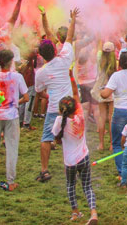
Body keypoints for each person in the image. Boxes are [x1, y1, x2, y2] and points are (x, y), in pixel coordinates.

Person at [34, 8, 79, 183]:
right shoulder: (66, 57)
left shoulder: (42, 72)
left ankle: (44, 170)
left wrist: (48, 96)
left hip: (54, 109)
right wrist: (73, 19)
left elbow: (39, 91)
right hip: (69, 107)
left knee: (46, 138)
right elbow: (69, 37)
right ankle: (73, 166)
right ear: (55, 49)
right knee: (71, 139)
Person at [52, 70, 98, 225]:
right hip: (84, 156)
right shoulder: (80, 117)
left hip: (70, 161)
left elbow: (56, 138)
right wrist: (72, 77)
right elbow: (76, 95)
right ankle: (93, 213)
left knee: (71, 185)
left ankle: (75, 212)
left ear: (61, 110)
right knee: (88, 186)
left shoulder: (59, 121)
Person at [0, 49, 28, 191]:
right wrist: (15, 103)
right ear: (10, 62)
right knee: (11, 148)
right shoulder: (17, 77)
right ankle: (10, 181)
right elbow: (26, 98)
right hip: (12, 116)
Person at [90, 41, 116, 151]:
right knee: (111, 117)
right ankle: (111, 144)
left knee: (102, 117)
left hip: (101, 88)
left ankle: (101, 144)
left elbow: (99, 46)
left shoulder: (99, 59)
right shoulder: (115, 63)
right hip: (111, 89)